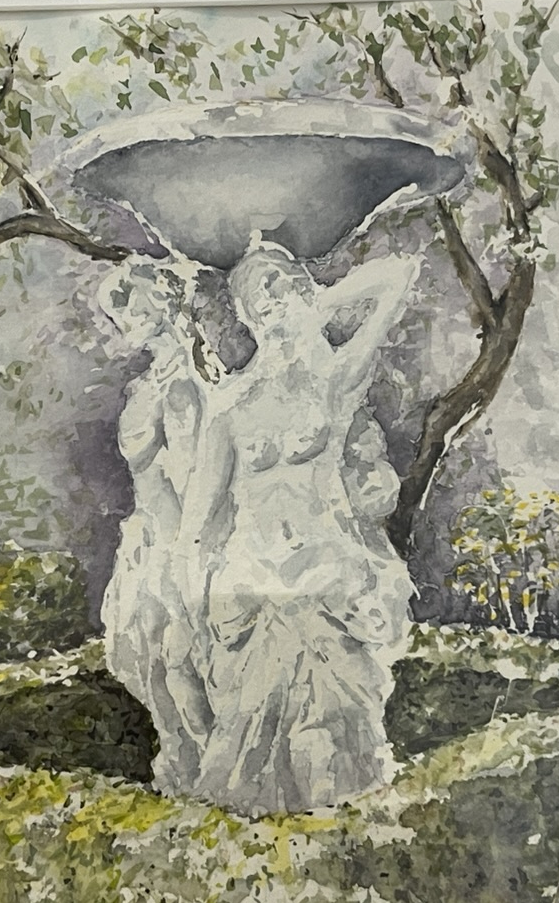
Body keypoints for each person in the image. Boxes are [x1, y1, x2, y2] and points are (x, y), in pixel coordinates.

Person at [179, 237, 417, 816]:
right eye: (260, 292)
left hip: (324, 572)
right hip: (253, 580)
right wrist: (194, 602)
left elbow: (399, 276)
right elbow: (199, 520)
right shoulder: (230, 405)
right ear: (246, 315)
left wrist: (319, 301)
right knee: (246, 749)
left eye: (284, 283)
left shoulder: (333, 382)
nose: (275, 296)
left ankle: (338, 840)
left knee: (332, 741)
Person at [96, 259, 213, 795]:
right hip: (147, 533)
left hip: (177, 536)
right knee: (146, 658)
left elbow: (191, 474)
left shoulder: (187, 383)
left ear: (162, 305)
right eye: (119, 311)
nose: (124, 318)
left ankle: (206, 763)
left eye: (131, 306)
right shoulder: (147, 385)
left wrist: (188, 546)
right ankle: (182, 758)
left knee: (179, 658)